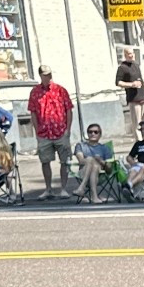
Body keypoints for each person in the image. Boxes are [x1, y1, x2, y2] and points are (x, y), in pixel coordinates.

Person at [27, 64, 75, 198]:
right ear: (41, 76)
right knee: (45, 161)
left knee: (65, 161)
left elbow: (69, 110)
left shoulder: (60, 90)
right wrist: (37, 131)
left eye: (49, 74)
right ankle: (48, 189)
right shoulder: (35, 92)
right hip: (44, 133)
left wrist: (68, 129)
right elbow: (33, 113)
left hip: (60, 131)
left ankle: (64, 189)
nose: (48, 77)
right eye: (45, 75)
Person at [72, 124, 116, 204]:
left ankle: (82, 187)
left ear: (100, 135)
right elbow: (81, 160)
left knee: (95, 166)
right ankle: (94, 196)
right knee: (90, 160)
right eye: (90, 132)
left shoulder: (105, 148)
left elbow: (109, 169)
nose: (93, 134)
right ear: (87, 134)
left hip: (100, 176)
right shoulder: (80, 146)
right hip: (83, 172)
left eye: (96, 132)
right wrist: (91, 160)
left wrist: (101, 161)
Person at [114, 46, 144, 131]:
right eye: (129, 53)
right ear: (125, 55)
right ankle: (139, 142)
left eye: (132, 53)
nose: (132, 55)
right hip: (134, 99)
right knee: (137, 124)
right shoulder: (122, 67)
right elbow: (118, 82)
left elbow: (142, 80)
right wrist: (131, 84)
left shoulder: (136, 65)